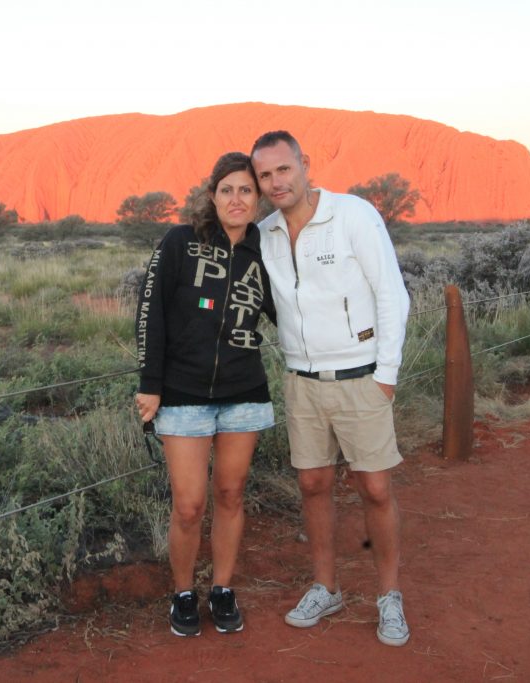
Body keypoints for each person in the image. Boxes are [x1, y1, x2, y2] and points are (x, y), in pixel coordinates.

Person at [250, 130, 412, 647]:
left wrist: (386, 375)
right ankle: (327, 586)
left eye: (283, 169)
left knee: (376, 488)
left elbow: (392, 294)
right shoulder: (266, 233)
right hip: (302, 380)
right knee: (314, 486)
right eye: (265, 175)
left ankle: (389, 596)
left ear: (304, 165)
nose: (276, 182)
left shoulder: (353, 215)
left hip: (361, 377)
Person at [134, 151, 276, 637]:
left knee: (232, 494)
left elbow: (293, 312)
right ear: (212, 195)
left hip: (245, 393)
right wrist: (150, 384)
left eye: (246, 190)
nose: (236, 199)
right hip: (183, 394)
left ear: (258, 199)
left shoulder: (267, 254)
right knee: (190, 504)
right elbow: (150, 312)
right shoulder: (180, 242)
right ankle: (182, 593)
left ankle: (222, 588)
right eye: (227, 190)